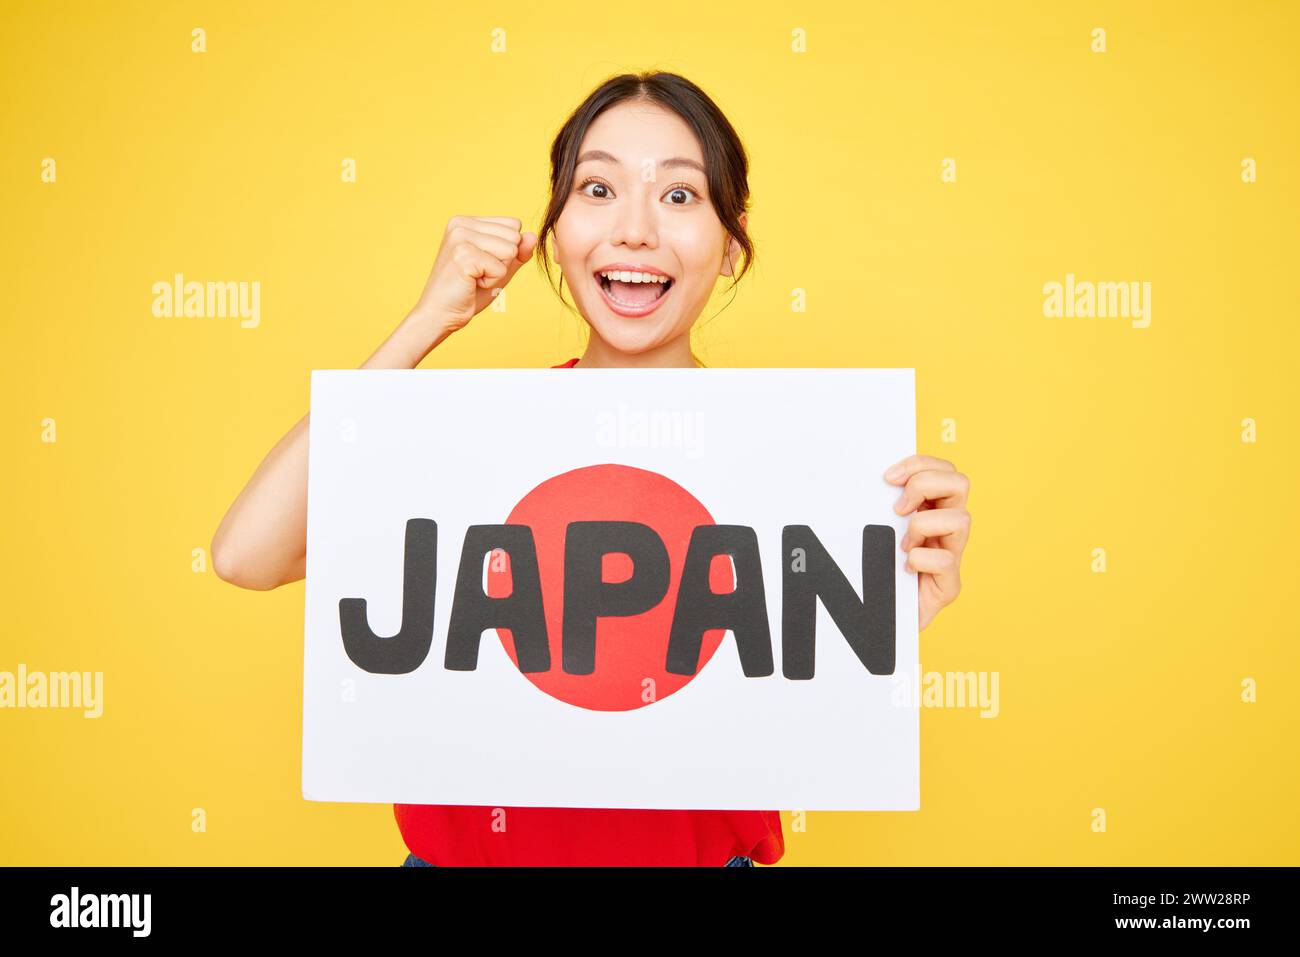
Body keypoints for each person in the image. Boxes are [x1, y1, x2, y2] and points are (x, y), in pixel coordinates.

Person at [211, 70, 973, 867]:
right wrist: (426, 321)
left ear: (731, 243)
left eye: (679, 196)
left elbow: (774, 726)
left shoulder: (796, 471)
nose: (636, 230)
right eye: (598, 188)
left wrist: (883, 617)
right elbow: (246, 554)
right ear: (556, 229)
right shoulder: (460, 445)